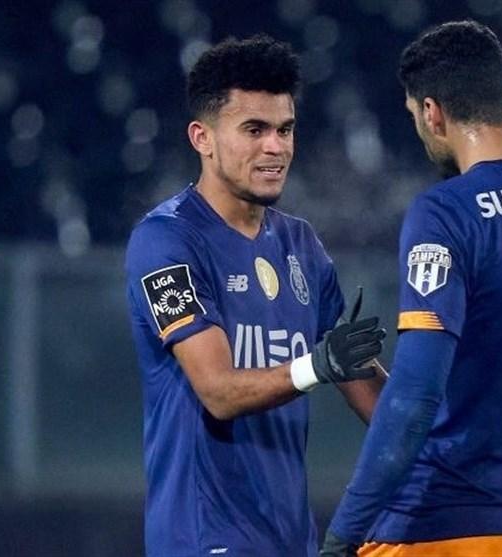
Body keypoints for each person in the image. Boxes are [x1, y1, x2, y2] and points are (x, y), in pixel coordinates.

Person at [320, 20, 502, 557]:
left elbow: (416, 396)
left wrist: (343, 533)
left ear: (432, 112)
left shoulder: (447, 212)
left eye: (414, 115)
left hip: (439, 528)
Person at [124, 34, 386, 557]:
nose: (276, 147)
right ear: (202, 138)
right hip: (203, 540)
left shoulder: (302, 245)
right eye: (254, 130)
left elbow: (369, 392)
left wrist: (449, 442)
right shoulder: (166, 241)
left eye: (285, 129)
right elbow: (218, 392)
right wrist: (316, 366)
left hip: (291, 541)